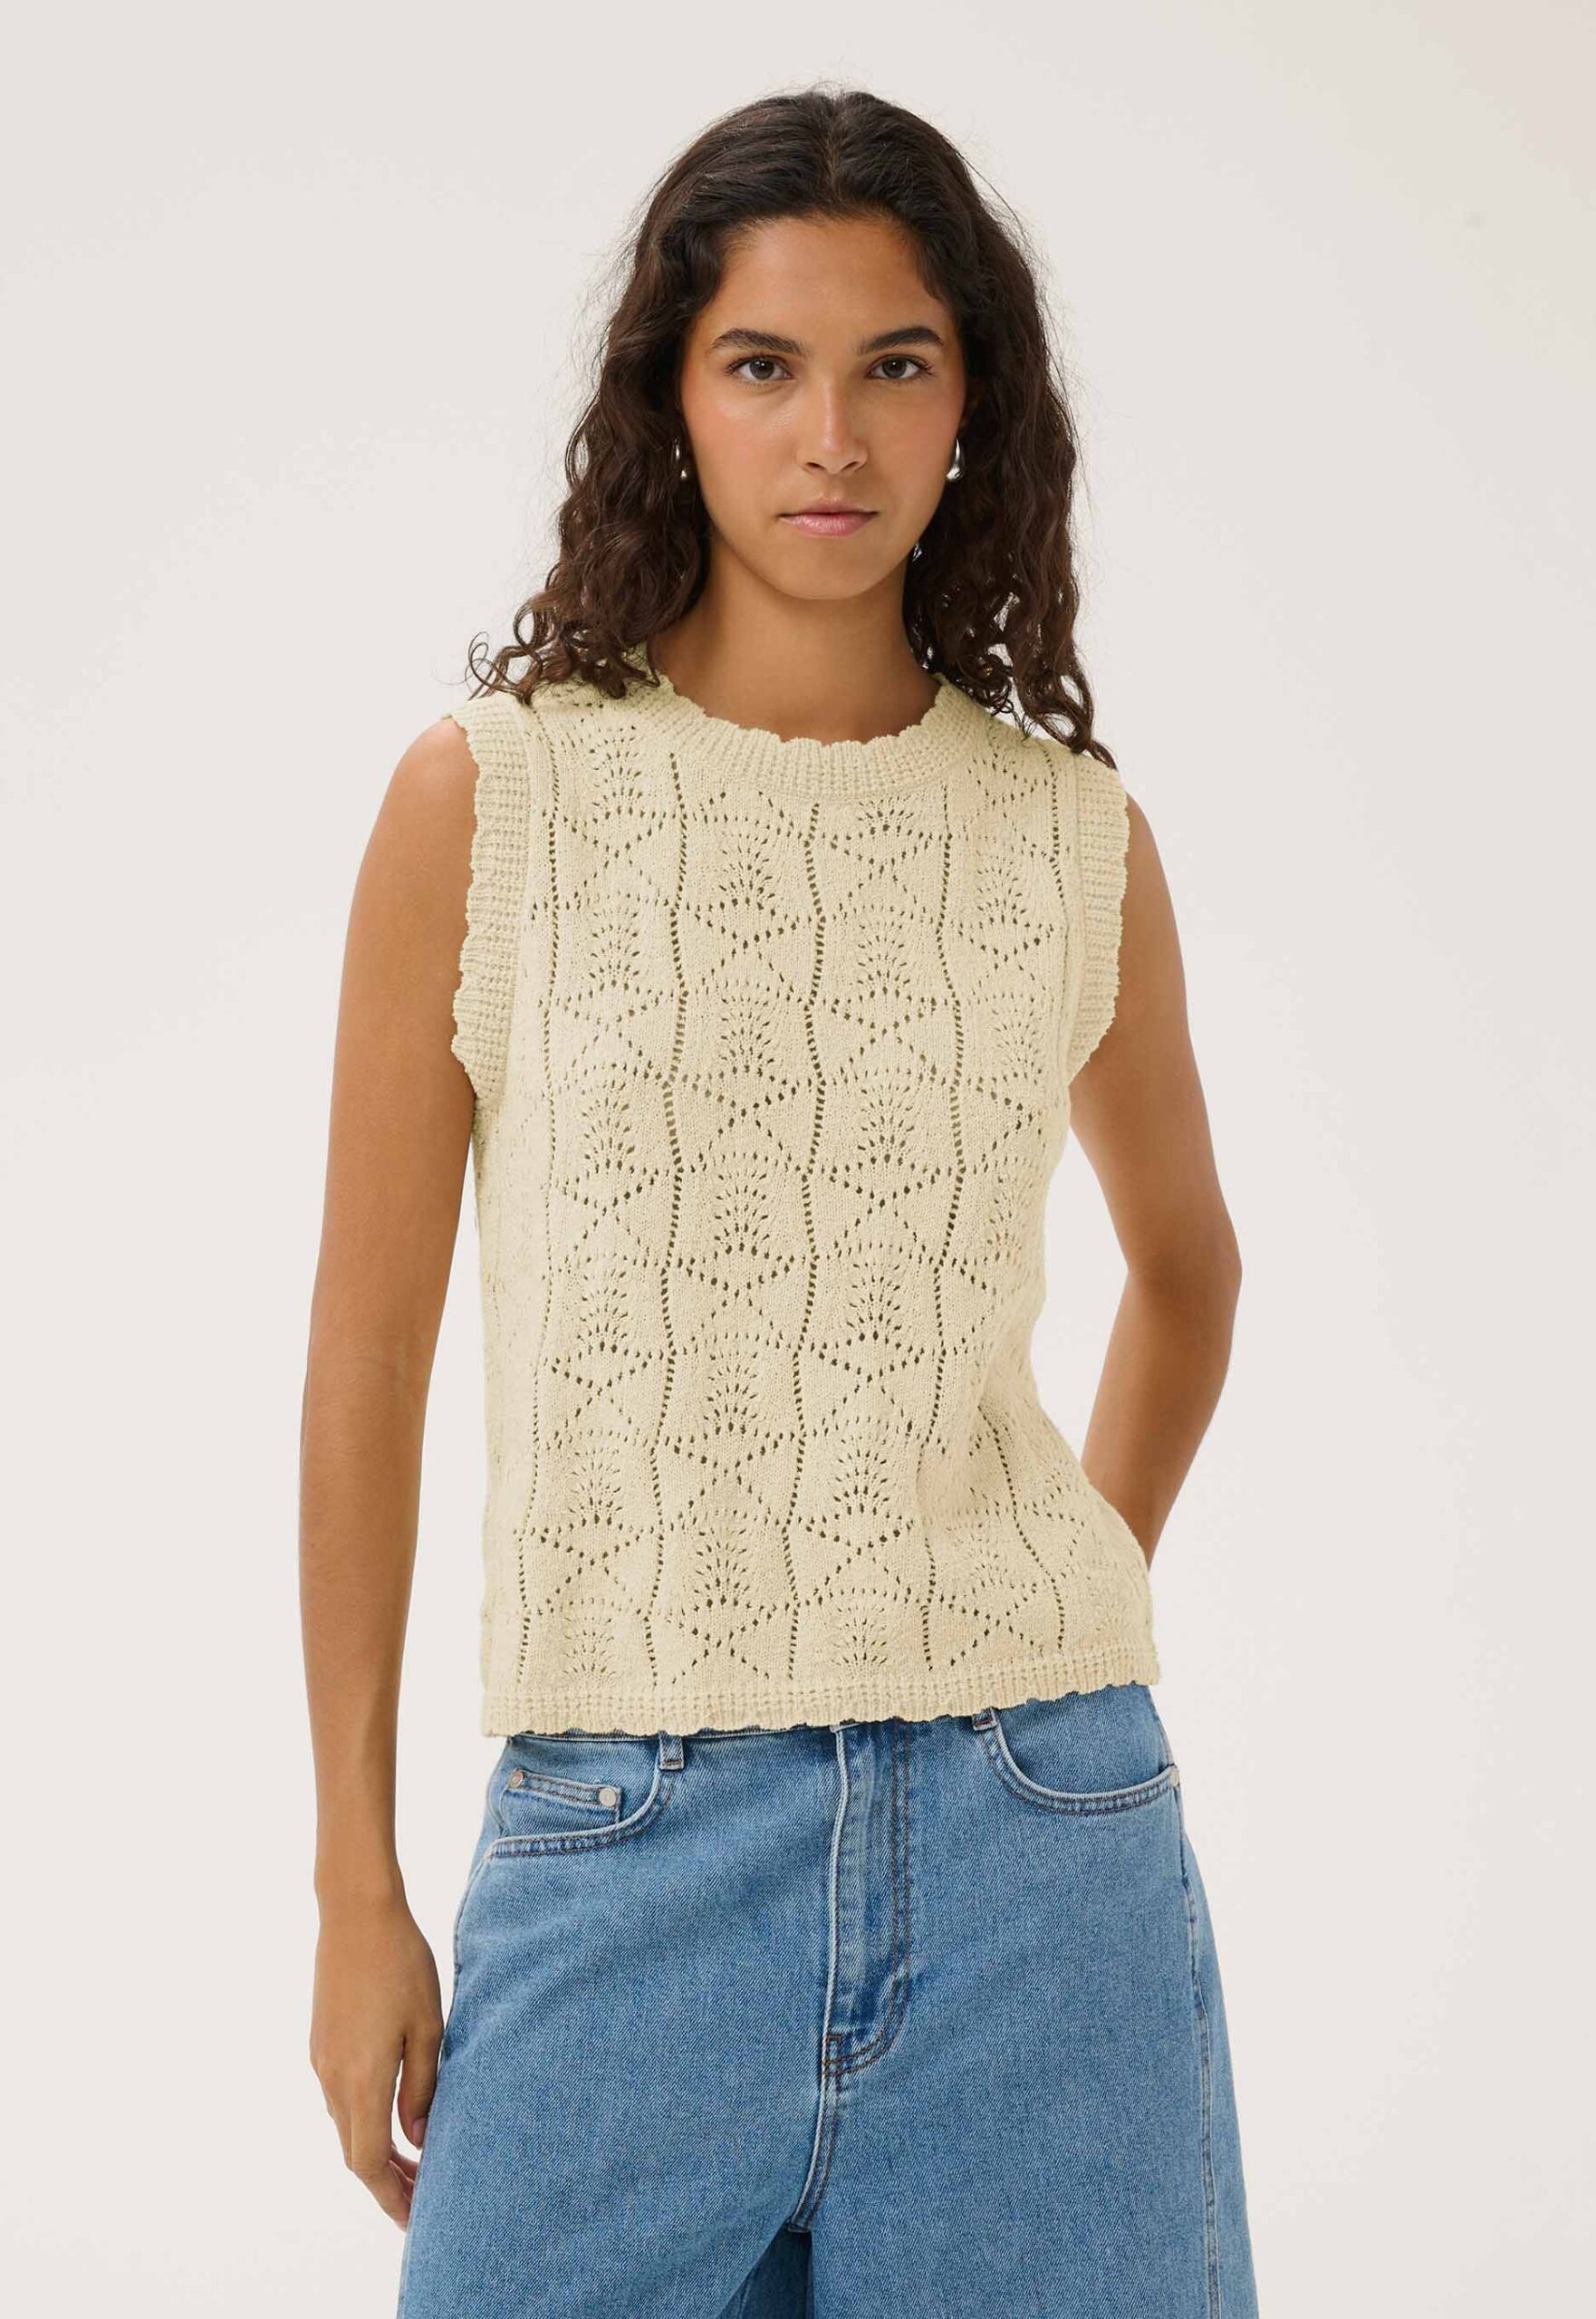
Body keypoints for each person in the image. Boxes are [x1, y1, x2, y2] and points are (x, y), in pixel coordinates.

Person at [303, 83, 1259, 2319]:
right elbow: (365, 1355)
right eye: (762, 363)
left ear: (968, 404)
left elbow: (1187, 1271)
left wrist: (1042, 1588)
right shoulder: (496, 801)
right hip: (620, 1841)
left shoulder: (1068, 840)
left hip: (1047, 1850)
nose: (829, 435)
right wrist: (354, 1880)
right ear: (673, 397)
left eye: (891, 364)